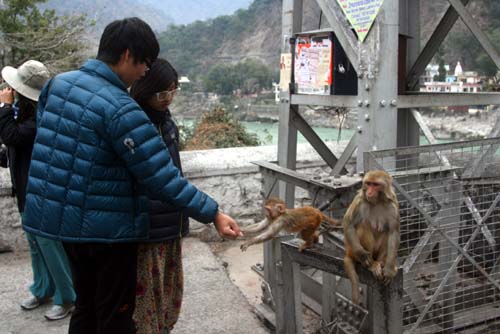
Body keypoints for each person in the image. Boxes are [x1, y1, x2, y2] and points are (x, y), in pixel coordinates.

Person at [21, 17, 242, 334]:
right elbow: (161, 176)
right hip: (107, 231)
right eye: (144, 64)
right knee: (116, 314)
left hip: (62, 223)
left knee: (86, 306)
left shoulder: (58, 85)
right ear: (127, 55)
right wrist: (214, 213)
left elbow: (57, 144)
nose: (145, 72)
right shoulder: (121, 108)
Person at [0, 60, 76, 320]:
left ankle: (67, 297)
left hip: (43, 190)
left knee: (49, 243)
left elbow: (13, 136)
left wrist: (4, 107)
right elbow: (14, 146)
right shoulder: (25, 113)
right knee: (35, 243)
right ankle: (43, 288)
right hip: (26, 189)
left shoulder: (41, 116)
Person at [129, 58, 186, 333]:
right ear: (145, 89)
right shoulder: (135, 125)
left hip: (171, 222)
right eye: (162, 93)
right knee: (147, 300)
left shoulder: (167, 122)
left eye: (173, 91)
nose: (168, 99)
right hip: (148, 228)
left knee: (169, 294)